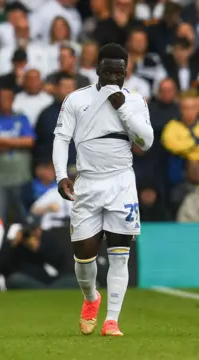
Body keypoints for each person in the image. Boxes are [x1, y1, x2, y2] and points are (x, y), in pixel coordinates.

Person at [53, 43, 154, 336]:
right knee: (84, 256)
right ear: (97, 69)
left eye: (118, 72)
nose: (112, 77)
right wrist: (61, 175)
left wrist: (121, 107)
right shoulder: (76, 99)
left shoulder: (134, 101)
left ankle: (112, 320)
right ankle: (91, 298)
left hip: (122, 182)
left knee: (120, 253)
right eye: (107, 71)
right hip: (88, 183)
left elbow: (146, 142)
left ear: (126, 72)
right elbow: (61, 139)